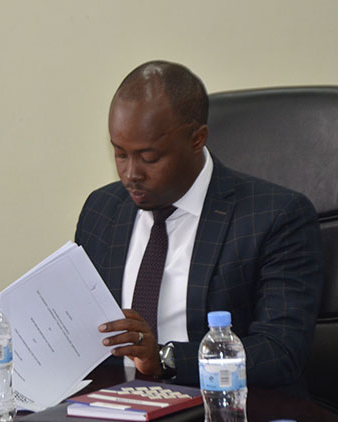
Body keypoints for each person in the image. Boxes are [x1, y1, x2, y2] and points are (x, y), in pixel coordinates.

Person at [75, 61, 322, 393]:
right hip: (112, 408)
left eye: (149, 157)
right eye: (120, 154)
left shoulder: (274, 217)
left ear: (197, 139)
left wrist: (165, 359)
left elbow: (280, 352)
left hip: (224, 409)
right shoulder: (102, 210)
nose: (131, 174)